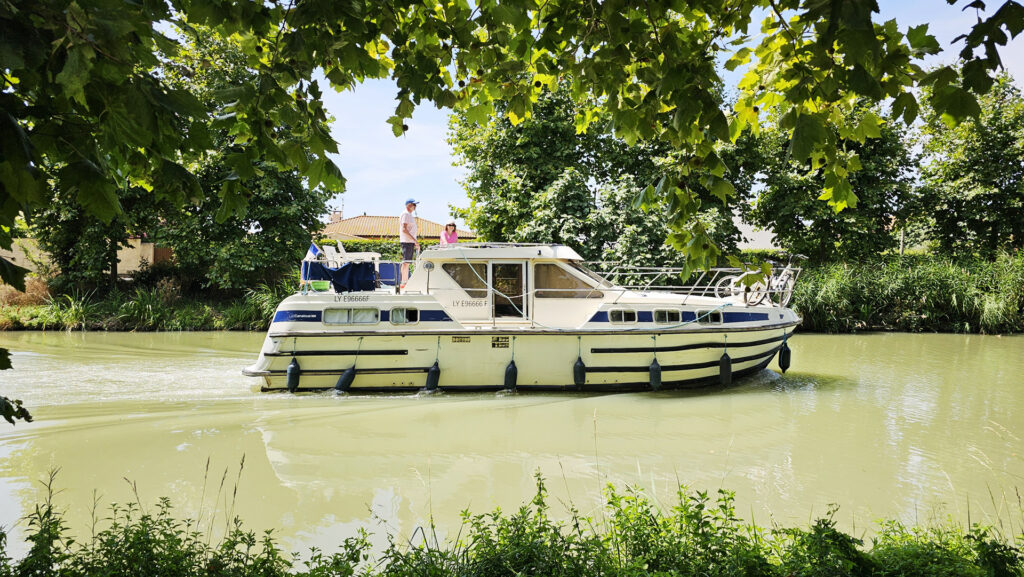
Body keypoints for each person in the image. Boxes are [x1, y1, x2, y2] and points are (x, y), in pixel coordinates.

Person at [399, 198, 419, 286]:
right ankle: (404, 282)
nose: (415, 207)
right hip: (407, 241)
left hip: (409, 242)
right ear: (409, 205)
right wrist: (414, 240)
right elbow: (404, 229)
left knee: (407, 262)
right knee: (406, 262)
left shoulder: (408, 215)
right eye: (414, 205)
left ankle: (405, 282)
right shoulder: (406, 214)